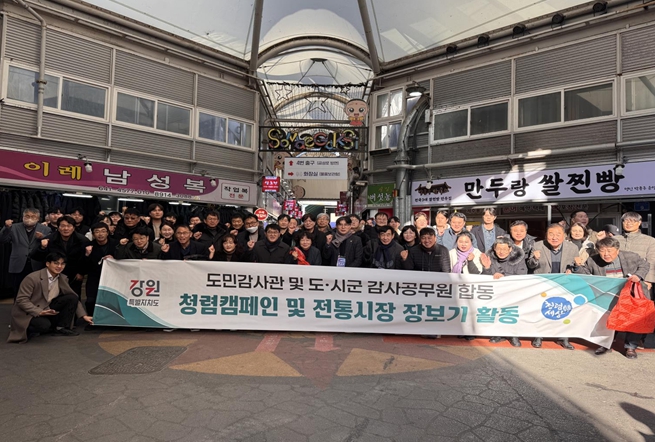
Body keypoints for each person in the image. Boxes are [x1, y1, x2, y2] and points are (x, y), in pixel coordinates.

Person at [576, 237, 650, 359]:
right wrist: (577, 266)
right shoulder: (593, 260)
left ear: (617, 250)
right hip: (609, 294)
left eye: (609, 250)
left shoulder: (631, 256)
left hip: (631, 293)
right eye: (602, 251)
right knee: (606, 319)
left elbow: (645, 265)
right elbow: (585, 274)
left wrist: (638, 275)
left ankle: (630, 347)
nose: (606, 254)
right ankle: (605, 344)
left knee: (633, 318)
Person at [8, 252, 93, 343]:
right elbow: (21, 300)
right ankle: (29, 329)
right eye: (56, 263)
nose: (59, 266)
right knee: (44, 325)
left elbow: (73, 296)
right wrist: (39, 311)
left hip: (47, 307)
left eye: (62, 264)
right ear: (48, 264)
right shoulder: (32, 278)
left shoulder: (62, 278)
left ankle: (61, 328)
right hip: (30, 311)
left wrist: (84, 316)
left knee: (71, 298)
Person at [527, 224, 580, 349]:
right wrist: (535, 259)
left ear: (564, 236)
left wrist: (575, 268)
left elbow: (576, 267)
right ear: (546, 235)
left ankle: (563, 338)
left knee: (564, 311)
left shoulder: (573, 248)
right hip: (543, 285)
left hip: (563, 285)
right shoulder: (537, 245)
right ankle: (538, 336)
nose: (554, 237)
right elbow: (530, 265)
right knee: (542, 310)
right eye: (551, 234)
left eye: (558, 234)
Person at [481, 237, 527, 347]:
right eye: (498, 249)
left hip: (513, 292)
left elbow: (522, 275)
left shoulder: (519, 259)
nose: (501, 252)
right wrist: (487, 268)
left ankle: (513, 335)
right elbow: (483, 278)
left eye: (504, 249)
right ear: (494, 249)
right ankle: (498, 334)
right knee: (497, 312)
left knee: (512, 313)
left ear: (510, 249)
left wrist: (504, 276)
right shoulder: (489, 258)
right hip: (495, 293)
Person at [30, 216, 91, 298]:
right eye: (62, 226)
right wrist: (42, 248)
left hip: (74, 275)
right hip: (53, 274)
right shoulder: (49, 239)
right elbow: (36, 257)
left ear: (73, 228)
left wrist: (81, 272)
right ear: (58, 228)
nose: (66, 228)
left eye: (69, 226)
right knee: (52, 298)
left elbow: (86, 259)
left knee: (73, 298)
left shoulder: (83, 240)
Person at [0, 208, 51, 297]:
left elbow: (51, 244)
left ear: (38, 218)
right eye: (27, 216)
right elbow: (3, 240)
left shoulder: (45, 229)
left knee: (36, 291)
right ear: (23, 217)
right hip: (18, 264)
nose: (29, 218)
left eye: (33, 216)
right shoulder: (14, 227)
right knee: (18, 290)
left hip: (36, 264)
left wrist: (42, 237)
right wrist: (6, 228)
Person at [616, 212, 655, 295]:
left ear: (639, 223)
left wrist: (648, 280)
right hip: (618, 279)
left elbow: (651, 261)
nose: (628, 223)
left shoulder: (650, 240)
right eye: (626, 221)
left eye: (633, 221)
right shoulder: (615, 239)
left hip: (641, 279)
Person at [84, 222, 118, 318]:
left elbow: (123, 259)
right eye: (97, 231)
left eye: (103, 231)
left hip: (112, 277)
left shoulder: (116, 244)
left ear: (108, 233)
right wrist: (87, 255)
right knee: (91, 300)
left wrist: (114, 258)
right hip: (94, 276)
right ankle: (92, 319)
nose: (100, 234)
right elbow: (83, 266)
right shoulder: (88, 246)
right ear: (93, 234)